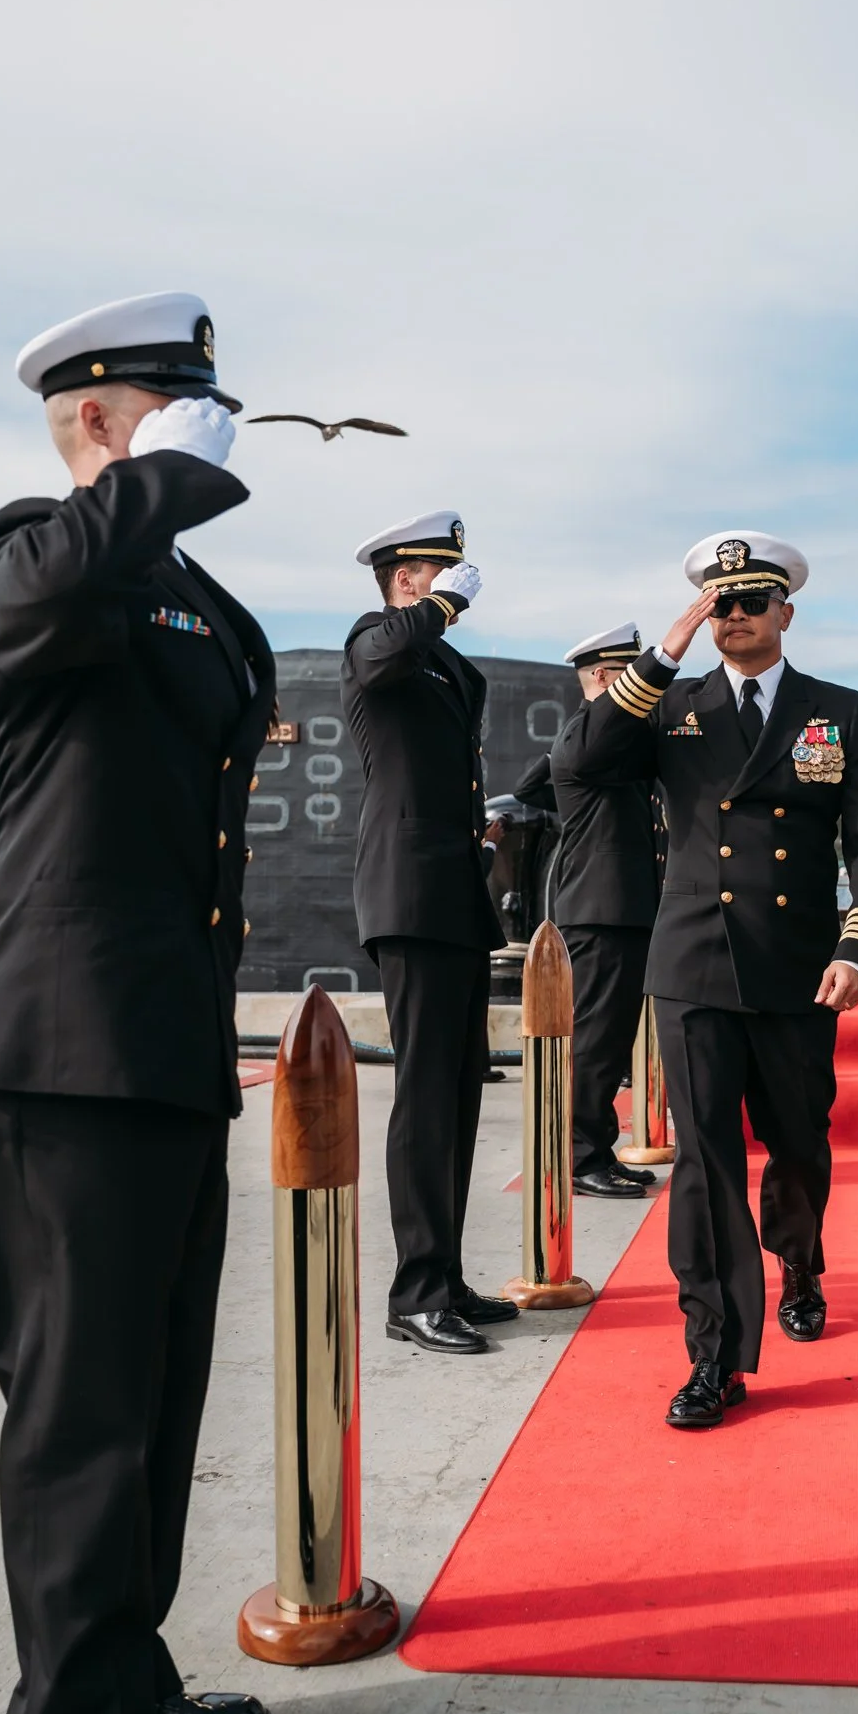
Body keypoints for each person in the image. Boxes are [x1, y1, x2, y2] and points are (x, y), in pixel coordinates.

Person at [0, 293, 275, 1714]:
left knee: (156, 1391)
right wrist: (166, 482)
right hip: (58, 1048)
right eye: (171, 404)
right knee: (80, 1401)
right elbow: (28, 611)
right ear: (101, 415)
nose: (201, 426)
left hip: (161, 1042)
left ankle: (128, 1675)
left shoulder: (185, 595)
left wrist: (168, 514)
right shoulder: (35, 551)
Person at [561, 531, 858, 1427]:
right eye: (721, 604)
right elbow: (582, 762)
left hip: (798, 966)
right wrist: (661, 652)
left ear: (785, 612)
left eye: (752, 602)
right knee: (704, 1164)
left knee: (797, 1140)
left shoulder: (838, 709)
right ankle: (713, 1354)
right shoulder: (670, 706)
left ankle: (799, 1260)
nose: (735, 617)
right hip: (695, 964)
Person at [341, 510, 517, 1356]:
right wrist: (436, 610)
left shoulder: (446, 665)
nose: (454, 581)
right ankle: (413, 1292)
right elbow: (382, 660)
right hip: (409, 893)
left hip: (452, 891)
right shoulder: (378, 638)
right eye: (435, 572)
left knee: (457, 1090)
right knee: (422, 1094)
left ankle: (442, 1275)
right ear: (405, 578)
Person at [515, 622, 661, 1201]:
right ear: (601, 677)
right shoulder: (588, 739)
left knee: (609, 1038)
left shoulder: (602, 742)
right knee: (595, 1041)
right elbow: (540, 781)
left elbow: (534, 783)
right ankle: (577, 1158)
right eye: (627, 675)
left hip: (620, 907)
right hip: (600, 908)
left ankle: (596, 1148)